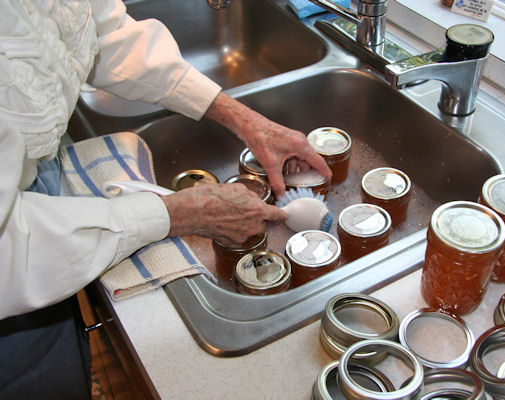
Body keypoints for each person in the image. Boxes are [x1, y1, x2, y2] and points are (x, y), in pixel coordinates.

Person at [0, 0, 331, 397]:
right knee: (33, 375)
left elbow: (98, 31)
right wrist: (178, 214)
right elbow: (9, 251)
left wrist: (248, 121)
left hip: (32, 178)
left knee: (60, 346)